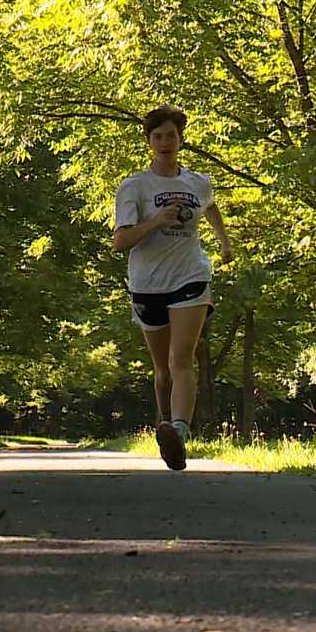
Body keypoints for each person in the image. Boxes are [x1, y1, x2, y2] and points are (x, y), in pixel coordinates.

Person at [112, 105, 232, 471]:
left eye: (171, 136)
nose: (165, 142)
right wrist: (156, 221)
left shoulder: (198, 182)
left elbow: (210, 207)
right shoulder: (134, 186)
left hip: (190, 277)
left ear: (181, 140)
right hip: (148, 283)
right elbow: (120, 241)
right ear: (149, 141)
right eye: (158, 136)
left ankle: (180, 431)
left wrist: (224, 242)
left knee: (182, 359)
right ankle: (165, 427)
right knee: (162, 369)